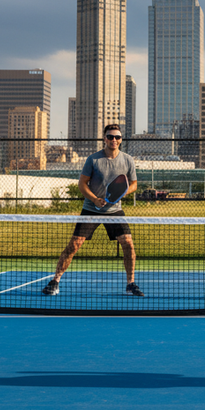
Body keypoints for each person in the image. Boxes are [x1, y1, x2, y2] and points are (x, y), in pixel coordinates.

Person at [42, 124, 143, 297]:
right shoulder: (93, 159)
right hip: (91, 210)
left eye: (117, 137)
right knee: (74, 245)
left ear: (121, 140)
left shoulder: (127, 160)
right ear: (104, 139)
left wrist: (122, 193)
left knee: (128, 244)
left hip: (114, 211)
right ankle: (55, 281)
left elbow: (133, 184)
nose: (114, 140)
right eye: (110, 137)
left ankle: (130, 283)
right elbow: (82, 184)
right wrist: (94, 199)